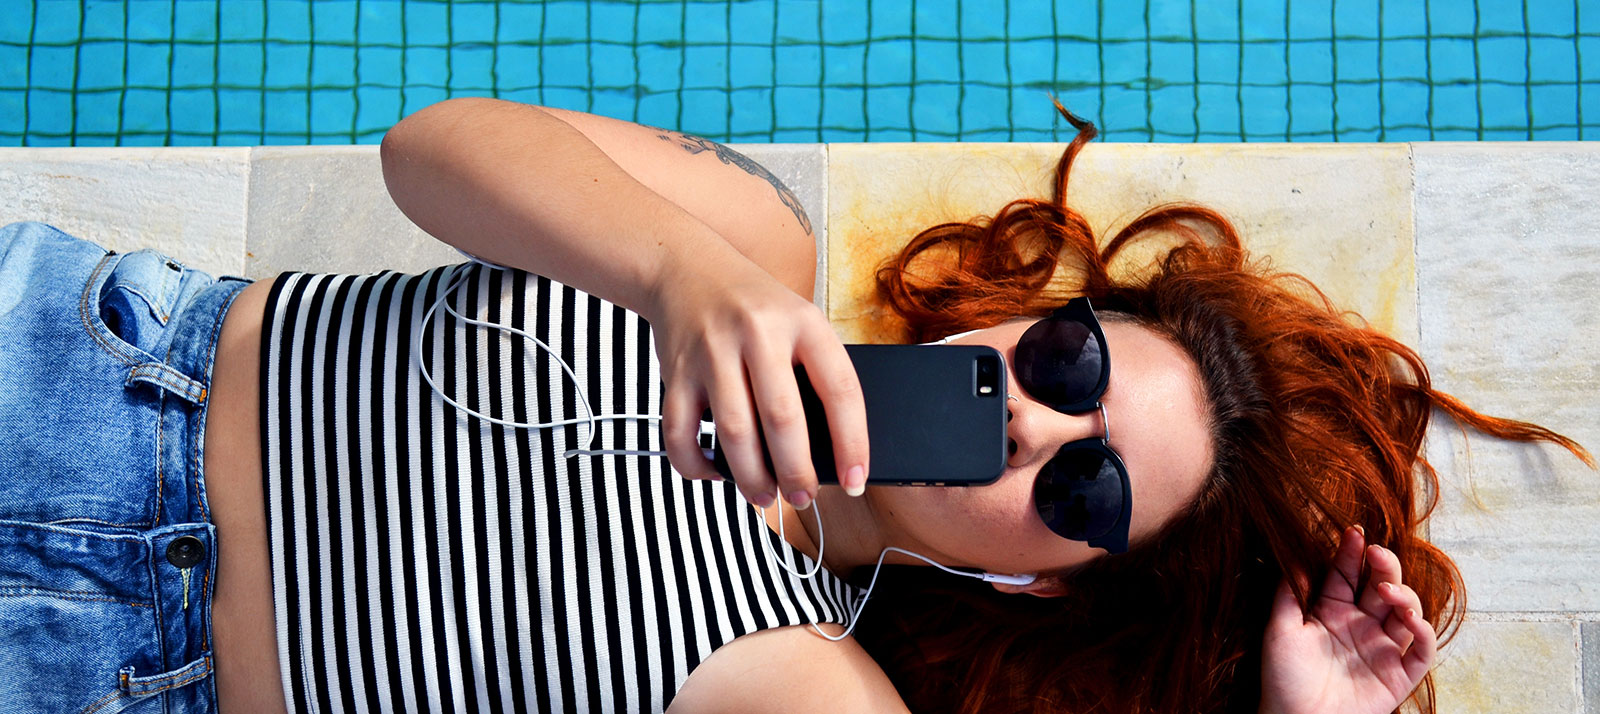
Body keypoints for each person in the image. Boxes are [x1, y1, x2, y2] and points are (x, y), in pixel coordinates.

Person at [0, 97, 1589, 714]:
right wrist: (682, 273)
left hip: (96, 675)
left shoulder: (810, 681)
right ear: (1035, 316)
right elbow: (430, 152)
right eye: (1071, 366)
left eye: (1087, 490)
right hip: (88, 362)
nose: (1036, 425)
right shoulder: (752, 244)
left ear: (1045, 580)